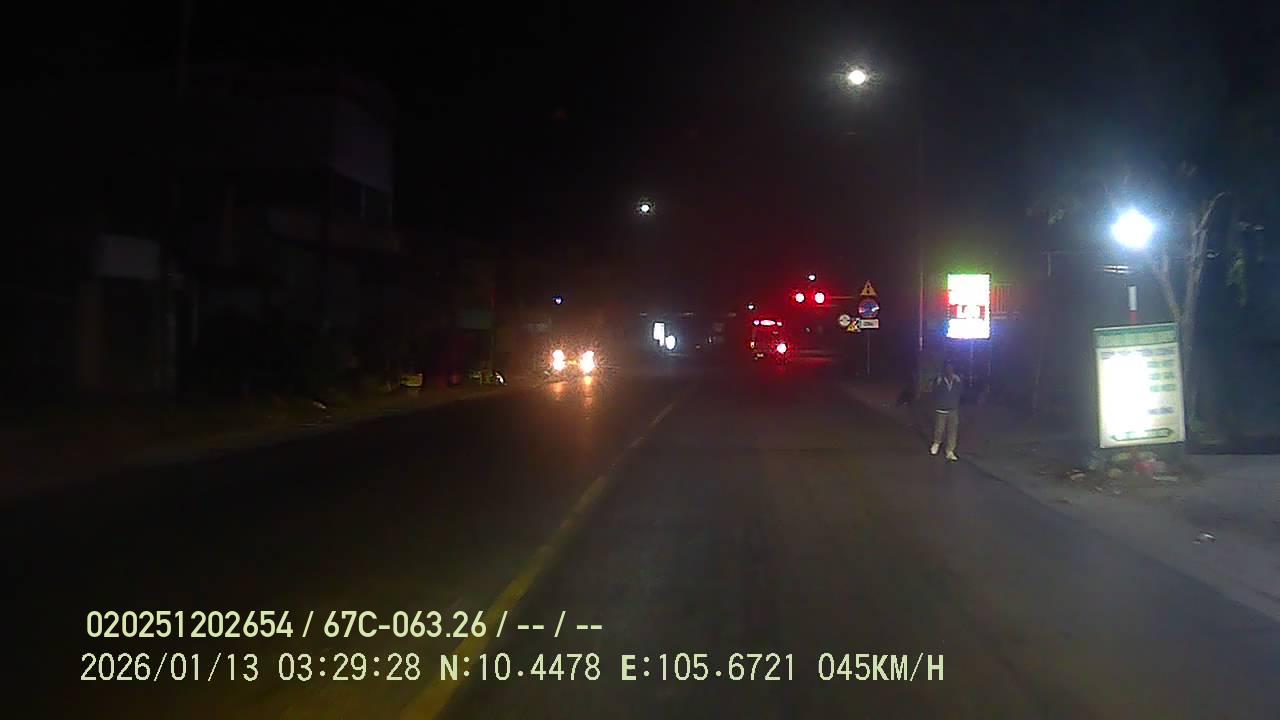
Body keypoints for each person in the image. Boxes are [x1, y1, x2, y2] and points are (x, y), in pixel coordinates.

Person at [930, 361, 963, 461]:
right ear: (945, 370)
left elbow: (960, 392)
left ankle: (950, 451)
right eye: (948, 368)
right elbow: (934, 392)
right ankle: (936, 443)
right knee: (939, 429)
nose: (949, 370)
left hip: (953, 410)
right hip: (941, 409)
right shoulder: (939, 380)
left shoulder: (957, 380)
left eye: (951, 368)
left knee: (952, 431)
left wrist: (955, 402)